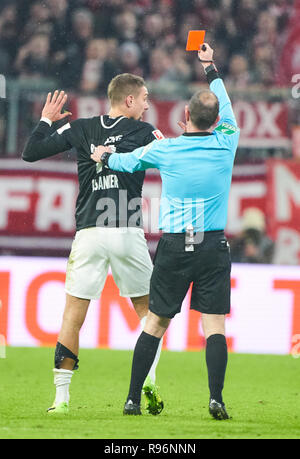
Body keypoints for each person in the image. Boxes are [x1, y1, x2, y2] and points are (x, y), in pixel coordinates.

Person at [92, 43, 240, 420]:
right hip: (212, 246)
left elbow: (126, 161)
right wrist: (209, 67)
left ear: (185, 115)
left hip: (174, 247)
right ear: (216, 119)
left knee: (155, 323)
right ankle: (216, 399)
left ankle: (131, 400)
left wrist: (103, 155)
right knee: (214, 326)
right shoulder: (227, 141)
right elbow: (223, 106)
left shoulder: (167, 150)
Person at [21, 73, 165, 415]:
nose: (147, 105)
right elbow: (174, 158)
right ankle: (148, 381)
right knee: (150, 315)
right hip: (128, 231)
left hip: (90, 233)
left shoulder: (81, 128)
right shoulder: (145, 132)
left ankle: (61, 400)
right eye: (144, 98)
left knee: (72, 318)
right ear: (128, 100)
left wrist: (45, 120)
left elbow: (30, 153)